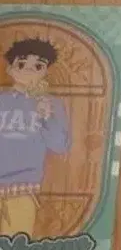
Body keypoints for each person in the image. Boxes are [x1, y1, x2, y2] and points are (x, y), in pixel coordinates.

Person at [0, 38, 71, 236]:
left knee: (16, 242)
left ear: (45, 72)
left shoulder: (52, 104)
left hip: (23, 186)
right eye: (22, 64)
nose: (29, 71)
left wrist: (46, 118)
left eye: (38, 66)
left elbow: (60, 146)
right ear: (10, 69)